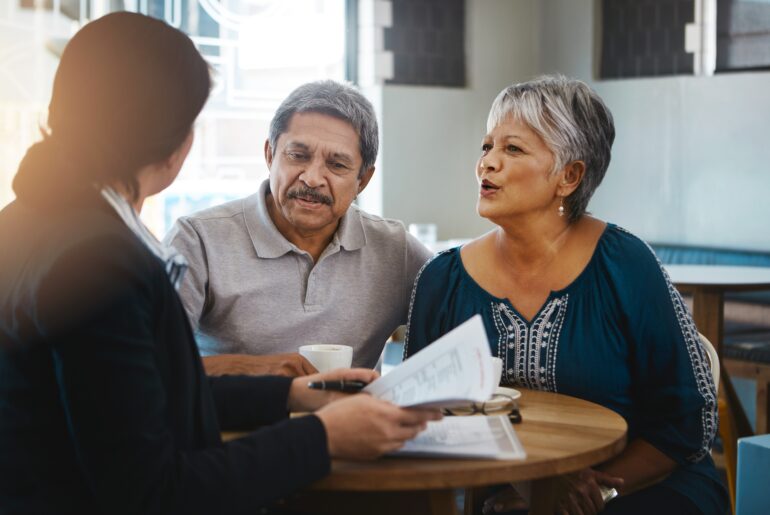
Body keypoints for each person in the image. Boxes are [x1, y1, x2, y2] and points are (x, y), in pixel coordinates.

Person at [0, 12, 439, 514]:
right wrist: (322, 438)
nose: (314, 177)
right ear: (173, 144)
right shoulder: (100, 263)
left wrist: (294, 396)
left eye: (337, 164)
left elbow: (134, 403)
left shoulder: (26, 221)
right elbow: (155, 492)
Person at [404, 76, 728, 515]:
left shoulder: (625, 265)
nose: (487, 164)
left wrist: (600, 489)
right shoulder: (441, 280)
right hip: (495, 489)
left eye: (512, 149)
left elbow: (686, 418)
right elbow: (415, 418)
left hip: (639, 486)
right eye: (486, 147)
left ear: (569, 176)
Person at [165, 80, 433, 376]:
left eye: (337, 165)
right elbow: (153, 366)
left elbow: (468, 316)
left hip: (350, 422)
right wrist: (256, 369)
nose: (312, 178)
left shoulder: (396, 250)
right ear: (270, 155)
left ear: (363, 180)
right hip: (232, 422)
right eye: (298, 156)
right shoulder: (197, 240)